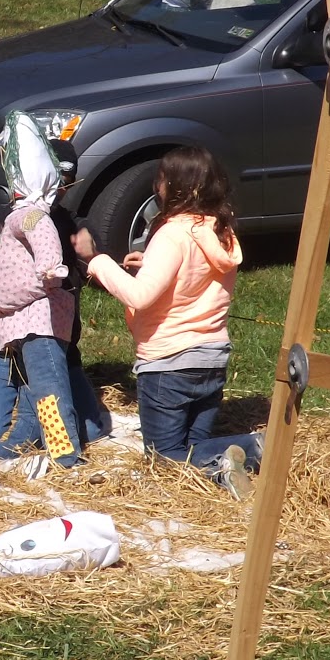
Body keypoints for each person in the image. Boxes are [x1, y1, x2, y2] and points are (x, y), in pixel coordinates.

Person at [73, 145, 263, 494]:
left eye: (161, 180)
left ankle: (256, 448)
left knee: (162, 460)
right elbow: (191, 278)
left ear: (179, 186)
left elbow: (139, 296)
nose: (155, 187)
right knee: (190, 460)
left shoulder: (171, 234)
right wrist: (150, 265)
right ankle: (228, 467)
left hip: (169, 363)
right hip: (212, 356)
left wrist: (98, 262)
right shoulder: (219, 232)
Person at [0, 113, 92, 470]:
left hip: (41, 322)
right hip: (24, 321)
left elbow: (44, 243)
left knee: (48, 391)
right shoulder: (24, 214)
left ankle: (65, 454)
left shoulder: (32, 217)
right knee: (33, 391)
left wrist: (50, 267)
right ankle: (17, 445)